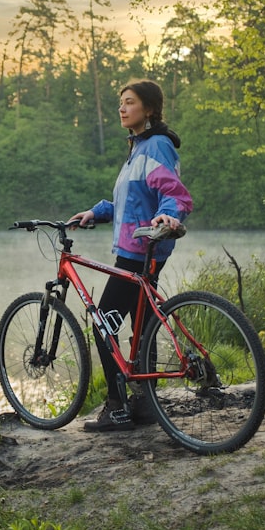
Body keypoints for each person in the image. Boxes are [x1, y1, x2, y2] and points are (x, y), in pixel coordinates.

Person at [69, 80, 193, 433]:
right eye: (120, 103)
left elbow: (174, 194)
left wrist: (170, 214)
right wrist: (96, 212)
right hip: (138, 246)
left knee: (103, 322)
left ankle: (117, 408)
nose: (122, 109)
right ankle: (144, 404)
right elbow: (132, 201)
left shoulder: (155, 146)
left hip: (141, 249)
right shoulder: (138, 149)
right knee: (141, 327)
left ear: (149, 109)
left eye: (129, 103)